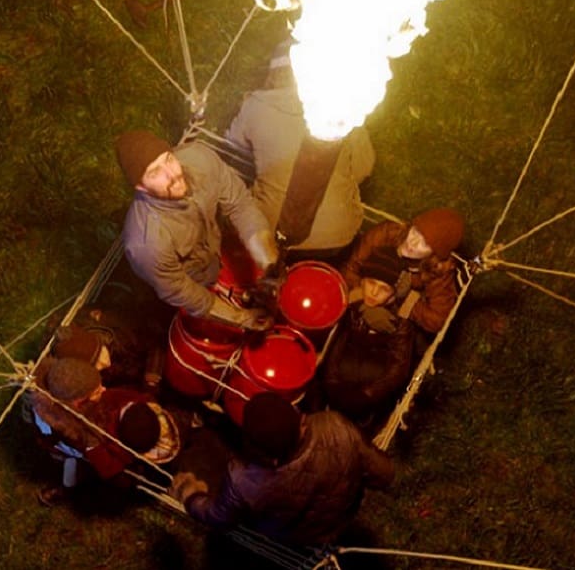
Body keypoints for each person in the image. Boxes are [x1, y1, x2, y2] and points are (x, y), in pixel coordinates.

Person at [170, 392, 394, 546]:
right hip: (342, 518)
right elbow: (384, 474)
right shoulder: (335, 426)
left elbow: (218, 517)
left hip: (291, 537)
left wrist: (191, 495)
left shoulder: (244, 480)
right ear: (301, 426)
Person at [225, 40, 375, 261]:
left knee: (237, 208)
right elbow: (364, 166)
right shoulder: (343, 105)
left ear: (274, 72)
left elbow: (232, 147)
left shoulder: (256, 105)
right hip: (338, 236)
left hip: (269, 232)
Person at [116, 129, 280, 329]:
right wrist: (241, 318)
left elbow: (241, 204)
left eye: (168, 159)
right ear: (141, 187)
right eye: (155, 172)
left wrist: (268, 261)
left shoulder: (200, 159)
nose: (173, 175)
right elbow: (181, 290)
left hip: (215, 253)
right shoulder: (146, 243)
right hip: (189, 283)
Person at [23, 354, 179, 505]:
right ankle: (67, 489)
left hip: (115, 441)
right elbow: (107, 466)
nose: (104, 389)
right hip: (72, 449)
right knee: (72, 465)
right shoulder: (69, 425)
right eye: (97, 391)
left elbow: (126, 398)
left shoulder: (105, 404)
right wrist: (91, 446)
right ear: (79, 403)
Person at [323, 247, 415, 423]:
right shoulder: (352, 306)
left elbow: (399, 368)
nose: (374, 293)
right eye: (371, 283)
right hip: (341, 380)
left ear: (393, 295)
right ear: (363, 281)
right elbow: (335, 345)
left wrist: (367, 395)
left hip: (372, 388)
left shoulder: (400, 319)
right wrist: (332, 383)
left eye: (384, 289)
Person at [341, 207, 465, 334]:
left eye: (425, 244)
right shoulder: (386, 234)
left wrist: (402, 299)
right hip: (365, 289)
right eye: (416, 231)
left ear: (435, 254)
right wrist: (362, 302)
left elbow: (438, 320)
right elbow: (351, 268)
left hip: (398, 310)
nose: (412, 243)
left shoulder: (438, 270)